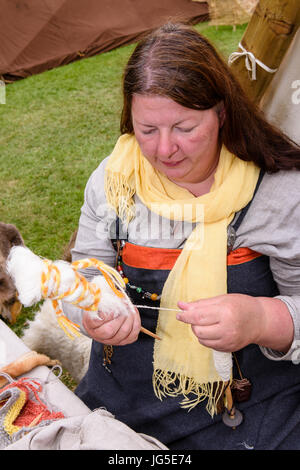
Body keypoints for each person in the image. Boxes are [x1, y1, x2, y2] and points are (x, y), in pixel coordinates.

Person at [62, 22, 300, 450]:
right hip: (122, 408)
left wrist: (264, 319)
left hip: (251, 415)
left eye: (184, 128)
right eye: (147, 130)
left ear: (222, 113)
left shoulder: (281, 192)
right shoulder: (114, 180)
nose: (165, 149)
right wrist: (92, 310)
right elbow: (83, 275)